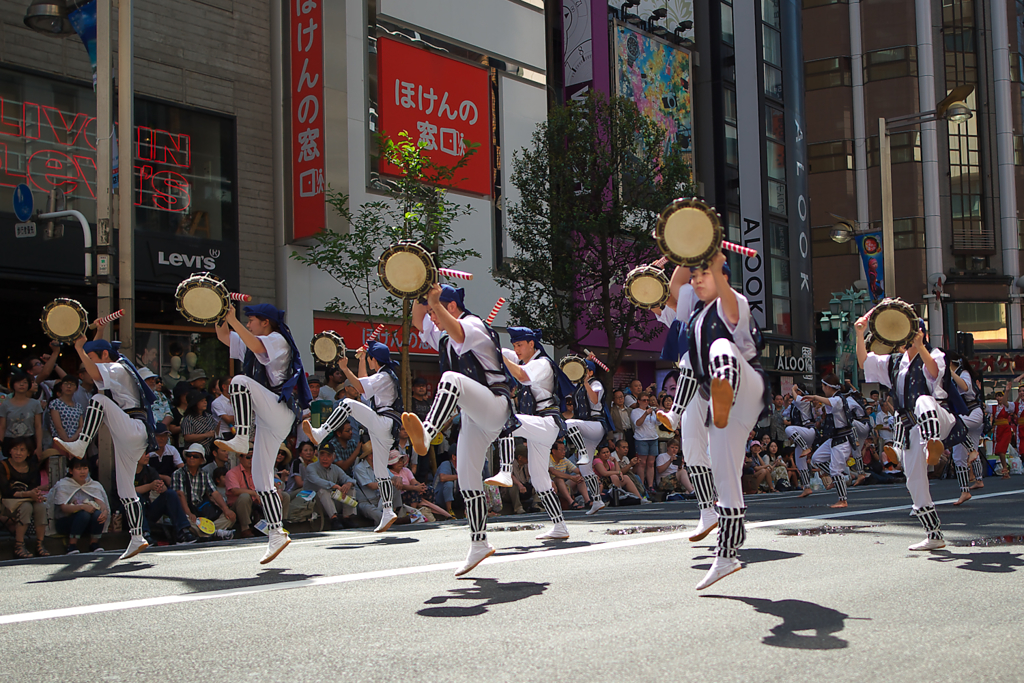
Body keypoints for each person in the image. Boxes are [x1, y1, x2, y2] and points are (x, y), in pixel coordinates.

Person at [404, 284, 516, 576]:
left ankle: (427, 433)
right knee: (468, 482)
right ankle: (479, 543)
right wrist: (419, 286)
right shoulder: (443, 336)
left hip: (494, 405)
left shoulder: (474, 325)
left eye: (436, 311)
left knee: (451, 378)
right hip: (472, 417)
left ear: (449, 306)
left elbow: (459, 334)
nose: (432, 318)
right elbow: (417, 322)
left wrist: (434, 301)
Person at [674, 251, 768, 589]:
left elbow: (729, 305)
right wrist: (683, 248)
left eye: (705, 274)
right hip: (719, 408)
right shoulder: (695, 312)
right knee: (727, 483)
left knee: (721, 348)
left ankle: (720, 387)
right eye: (694, 275)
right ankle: (727, 555)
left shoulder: (735, 302)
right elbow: (674, 288)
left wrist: (715, 262)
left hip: (745, 384)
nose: (696, 280)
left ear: (722, 275)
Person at [214, 302, 311, 564]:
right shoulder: (252, 339)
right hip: (270, 418)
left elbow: (256, 347)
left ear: (265, 322)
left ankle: (242, 435)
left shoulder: (277, 339)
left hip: (280, 410)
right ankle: (276, 533)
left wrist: (233, 319)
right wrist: (220, 312)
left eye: (251, 320)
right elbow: (224, 336)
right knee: (261, 479)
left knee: (238, 381)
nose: (247, 324)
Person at [52, 326, 158, 562]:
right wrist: (95, 335)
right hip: (129, 434)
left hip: (132, 426)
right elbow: (96, 360)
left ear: (104, 356)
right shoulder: (114, 364)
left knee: (98, 399)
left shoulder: (117, 367)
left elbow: (96, 373)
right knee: (125, 490)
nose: (90, 363)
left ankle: (81, 444)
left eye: (93, 358)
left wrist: (80, 347)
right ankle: (137, 537)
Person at [855, 313, 950, 550]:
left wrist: (921, 347)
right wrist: (859, 333)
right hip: (909, 427)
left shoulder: (935, 354)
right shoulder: (894, 362)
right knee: (914, 482)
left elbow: (935, 373)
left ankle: (933, 444)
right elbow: (864, 361)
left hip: (937, 417)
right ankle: (934, 534)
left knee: (922, 402)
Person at [303, 340, 403, 533]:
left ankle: (320, 432)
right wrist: (363, 359)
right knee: (381, 471)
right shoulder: (385, 374)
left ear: (376, 359)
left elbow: (359, 388)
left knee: (347, 403)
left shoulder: (383, 376)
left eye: (369, 358)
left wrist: (344, 368)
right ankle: (388, 511)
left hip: (384, 421)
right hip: (386, 426)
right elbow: (364, 380)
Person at [494, 327, 576, 539]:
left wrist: (500, 355)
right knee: (540, 480)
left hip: (546, 422)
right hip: (537, 427)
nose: (516, 349)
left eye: (519, 345)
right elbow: (500, 352)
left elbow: (522, 377)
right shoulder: (522, 358)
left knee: (506, 419)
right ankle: (560, 526)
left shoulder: (542, 363)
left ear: (532, 344)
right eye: (514, 345)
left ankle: (505, 470)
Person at [564, 359, 611, 516]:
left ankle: (582, 452)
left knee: (570, 424)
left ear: (589, 372)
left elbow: (595, 399)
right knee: (584, 468)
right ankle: (597, 500)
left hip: (597, 425)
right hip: (586, 428)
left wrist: (586, 382)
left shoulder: (595, 383)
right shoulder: (578, 387)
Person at [803, 375, 855, 509]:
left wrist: (815, 397)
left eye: (823, 386)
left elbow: (830, 402)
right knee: (816, 459)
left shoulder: (838, 399)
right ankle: (837, 478)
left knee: (835, 470)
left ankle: (843, 499)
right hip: (833, 438)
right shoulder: (835, 399)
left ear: (828, 387)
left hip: (842, 439)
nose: (822, 389)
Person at [173, 443, 236, 540]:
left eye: (195, 456)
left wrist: (226, 509)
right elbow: (180, 495)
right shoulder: (178, 474)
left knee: (230, 516)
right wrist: (189, 513)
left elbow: (214, 493)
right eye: (189, 455)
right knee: (185, 520)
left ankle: (208, 533)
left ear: (201, 460)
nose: (191, 458)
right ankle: (215, 533)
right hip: (185, 510)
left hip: (201, 510)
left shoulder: (204, 474)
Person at [226, 448, 292, 538]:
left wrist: (277, 491)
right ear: (240, 458)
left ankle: (282, 523)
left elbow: (271, 484)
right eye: (248, 457)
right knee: (244, 496)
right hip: (239, 506)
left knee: (284, 495)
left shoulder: (259, 471)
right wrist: (253, 493)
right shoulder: (232, 472)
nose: (252, 460)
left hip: (258, 503)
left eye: (254, 457)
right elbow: (235, 490)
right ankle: (245, 528)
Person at [0, 438, 49, 557]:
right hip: (7, 503)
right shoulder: (3, 466)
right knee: (26, 507)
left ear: (28, 453)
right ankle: (19, 545)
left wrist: (35, 494)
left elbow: (34, 487)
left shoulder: (32, 467)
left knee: (40, 506)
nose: (18, 453)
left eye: (22, 450)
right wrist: (27, 494)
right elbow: (6, 491)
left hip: (28, 499)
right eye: (15, 449)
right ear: (10, 451)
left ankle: (39, 544)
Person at [50, 458, 109, 554]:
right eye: (78, 469)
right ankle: (71, 545)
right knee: (83, 514)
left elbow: (100, 502)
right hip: (66, 522)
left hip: (87, 523)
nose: (82, 472)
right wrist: (82, 507)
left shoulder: (93, 485)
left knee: (98, 514)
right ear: (70, 471)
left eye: (85, 468)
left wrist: (104, 511)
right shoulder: (63, 485)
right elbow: (64, 508)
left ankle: (94, 543)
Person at [947, 351, 984, 505]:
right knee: (958, 456)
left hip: (973, 413)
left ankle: (972, 451)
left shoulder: (964, 373)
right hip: (969, 416)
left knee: (954, 426)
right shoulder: (950, 376)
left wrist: (949, 371)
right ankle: (967, 488)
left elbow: (965, 387)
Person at [302, 443, 358, 530]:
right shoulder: (311, 467)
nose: (325, 458)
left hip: (331, 501)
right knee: (323, 490)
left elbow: (348, 479)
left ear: (333, 457)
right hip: (314, 503)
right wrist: (334, 485)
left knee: (350, 488)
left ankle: (347, 518)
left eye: (328, 455)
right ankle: (333, 519)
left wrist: (348, 483)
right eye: (322, 455)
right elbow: (317, 480)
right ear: (318, 456)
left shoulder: (335, 468)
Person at [0, 371, 44, 459]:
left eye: (24, 382)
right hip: (10, 440)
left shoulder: (35, 404)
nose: (22, 385)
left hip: (28, 441)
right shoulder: (5, 404)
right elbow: (2, 426)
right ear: (13, 384)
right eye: (18, 382)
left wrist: (39, 446)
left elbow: (38, 426)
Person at [784, 385, 817, 498]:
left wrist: (793, 389)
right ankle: (807, 487)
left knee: (789, 429)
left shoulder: (804, 401)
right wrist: (786, 402)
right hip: (802, 433)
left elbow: (797, 399)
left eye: (797, 391)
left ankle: (805, 448)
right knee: (800, 462)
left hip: (808, 430)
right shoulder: (794, 404)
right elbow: (785, 415)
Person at [630, 393, 659, 497]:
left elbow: (658, 423)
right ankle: (641, 485)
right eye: (644, 400)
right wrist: (645, 414)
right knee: (642, 463)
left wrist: (659, 415)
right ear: (639, 401)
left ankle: (650, 485)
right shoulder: (635, 411)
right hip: (641, 438)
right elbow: (637, 423)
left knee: (651, 463)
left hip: (653, 437)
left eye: (648, 400)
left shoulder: (652, 411)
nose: (646, 402)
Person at [547, 439, 590, 511]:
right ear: (554, 451)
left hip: (563, 486)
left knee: (579, 478)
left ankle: (587, 501)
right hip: (551, 485)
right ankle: (571, 502)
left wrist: (589, 476)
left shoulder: (564, 460)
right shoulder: (548, 458)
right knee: (559, 479)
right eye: (561, 450)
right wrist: (571, 477)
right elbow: (553, 472)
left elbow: (578, 471)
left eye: (564, 450)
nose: (564, 452)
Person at [434, 453, 459, 517]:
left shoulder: (462, 466)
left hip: (455, 496)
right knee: (449, 484)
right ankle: (449, 510)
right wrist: (459, 477)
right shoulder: (446, 464)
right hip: (439, 496)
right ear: (453, 457)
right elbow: (442, 478)